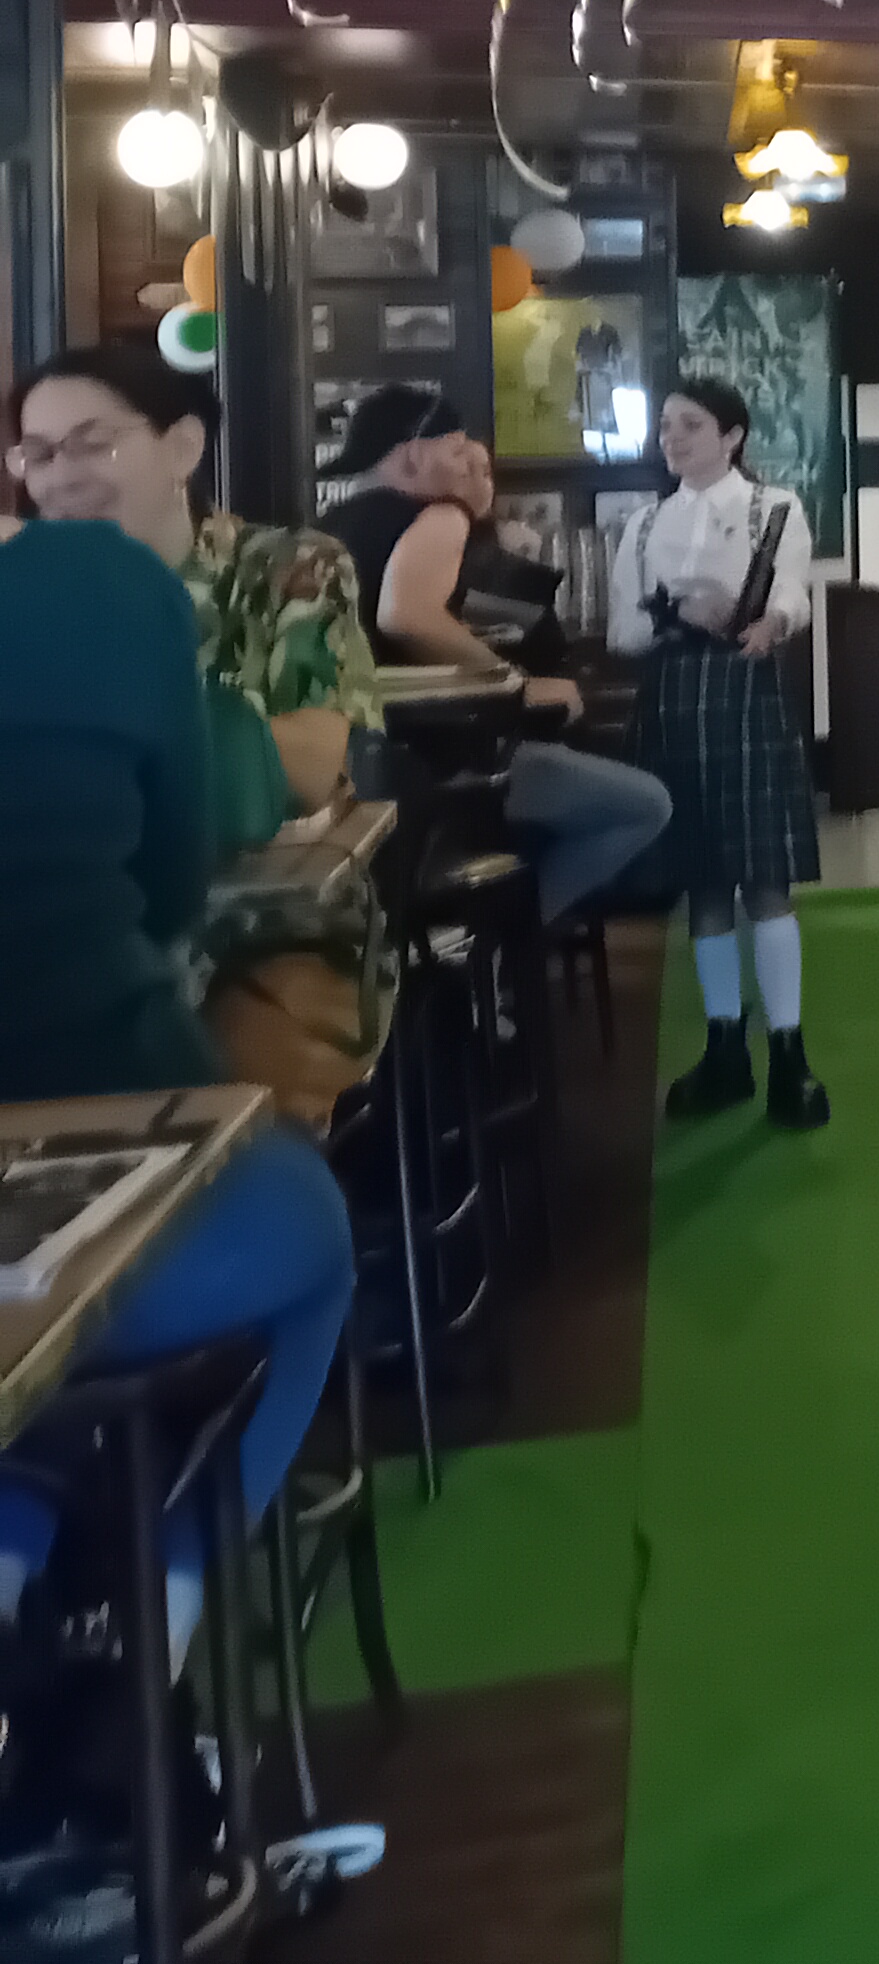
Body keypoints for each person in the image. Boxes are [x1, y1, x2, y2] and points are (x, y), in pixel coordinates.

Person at [0, 496, 353, 1669]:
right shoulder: (92, 587)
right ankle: (147, 1635)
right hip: (104, 1142)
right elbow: (176, 874)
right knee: (305, 1228)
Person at [317, 384, 669, 924]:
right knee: (645, 804)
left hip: (352, 770)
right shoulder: (439, 515)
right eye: (457, 451)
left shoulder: (325, 528)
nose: (467, 468)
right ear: (414, 455)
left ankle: (491, 935)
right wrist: (514, 683)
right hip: (444, 771)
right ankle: (508, 931)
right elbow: (406, 615)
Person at [7, 341, 374, 837]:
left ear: (183, 448)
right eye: (38, 456)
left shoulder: (290, 566)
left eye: (92, 445)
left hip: (270, 876)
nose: (60, 478)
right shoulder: (25, 587)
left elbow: (310, 771)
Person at [612, 380, 828, 1131]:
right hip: (672, 698)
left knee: (766, 882)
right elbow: (622, 632)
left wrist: (772, 623)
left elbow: (794, 592)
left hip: (745, 691)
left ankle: (790, 1057)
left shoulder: (776, 508)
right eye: (666, 426)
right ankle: (725, 1050)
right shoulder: (643, 525)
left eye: (691, 425)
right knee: (703, 885)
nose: (671, 438)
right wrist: (677, 611)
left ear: (732, 436)